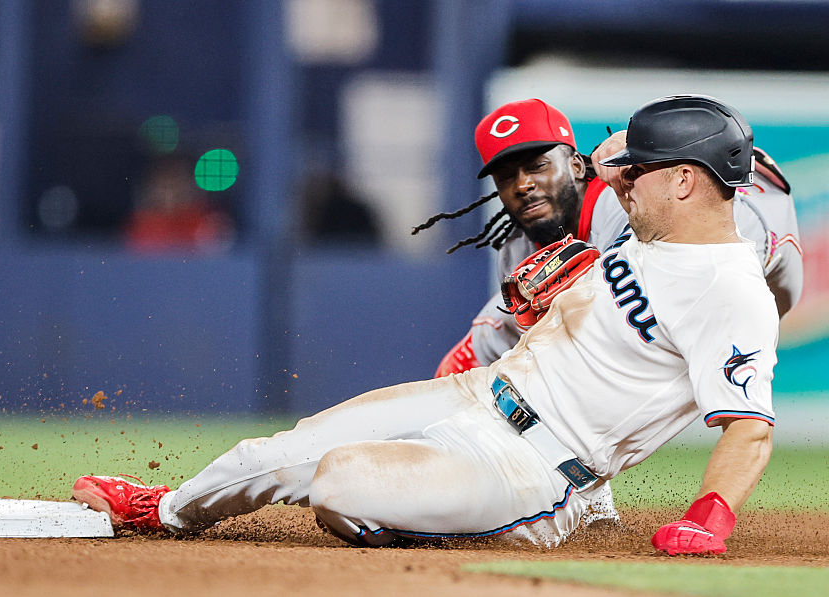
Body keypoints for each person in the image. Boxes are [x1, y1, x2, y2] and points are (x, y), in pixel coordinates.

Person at [73, 95, 778, 556]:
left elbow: (748, 425)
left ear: (685, 180)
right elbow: (608, 164)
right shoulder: (647, 237)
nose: (624, 181)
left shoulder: (730, 288)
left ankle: (435, 518)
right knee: (283, 449)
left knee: (337, 482)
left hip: (536, 466)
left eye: (643, 171)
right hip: (482, 394)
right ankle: (163, 508)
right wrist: (623, 159)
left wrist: (708, 515)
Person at [415, 98, 802, 528]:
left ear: (576, 165)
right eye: (507, 175)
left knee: (631, 322)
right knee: (532, 351)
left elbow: (710, 237)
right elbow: (475, 353)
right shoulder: (522, 247)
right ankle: (588, 496)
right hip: (648, 259)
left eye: (538, 165)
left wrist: (642, 162)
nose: (523, 184)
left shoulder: (626, 205)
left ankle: (677, 505)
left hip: (765, 238)